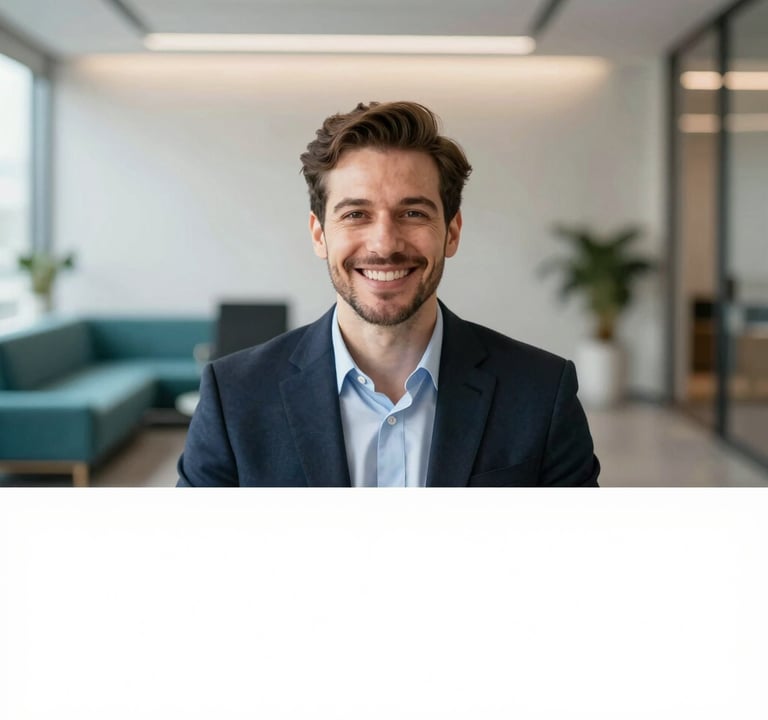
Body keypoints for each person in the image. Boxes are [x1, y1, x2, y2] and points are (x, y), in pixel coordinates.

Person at [177, 101, 600, 487]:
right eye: (356, 214)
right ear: (319, 234)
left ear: (451, 233)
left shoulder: (541, 393)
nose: (384, 243)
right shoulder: (234, 396)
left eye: (413, 213)